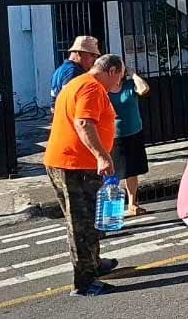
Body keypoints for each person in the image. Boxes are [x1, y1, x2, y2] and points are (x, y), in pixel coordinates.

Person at [44, 53, 125, 297]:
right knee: (81, 222)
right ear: (111, 71)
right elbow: (83, 123)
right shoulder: (91, 87)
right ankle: (84, 281)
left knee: (91, 217)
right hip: (74, 165)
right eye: (119, 77)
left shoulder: (76, 84)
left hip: (69, 161)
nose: (118, 83)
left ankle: (94, 263)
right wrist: (102, 155)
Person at [108, 70, 151, 217]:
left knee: (131, 171)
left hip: (133, 133)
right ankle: (112, 209)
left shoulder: (129, 85)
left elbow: (144, 89)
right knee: (112, 173)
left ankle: (132, 204)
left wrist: (133, 74)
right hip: (113, 137)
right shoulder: (104, 88)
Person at [50, 36, 101, 102]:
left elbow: (53, 103)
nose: (95, 59)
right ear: (79, 53)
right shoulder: (74, 71)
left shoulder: (60, 70)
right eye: (92, 55)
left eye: (96, 56)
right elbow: (71, 100)